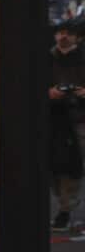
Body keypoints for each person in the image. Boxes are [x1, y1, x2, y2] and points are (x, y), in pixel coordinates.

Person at [48, 21, 85, 232]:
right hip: (53, 117)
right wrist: (48, 92)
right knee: (55, 164)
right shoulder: (45, 58)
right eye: (61, 33)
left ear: (76, 37)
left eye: (69, 34)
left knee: (73, 165)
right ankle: (66, 203)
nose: (64, 37)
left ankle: (66, 208)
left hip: (80, 116)